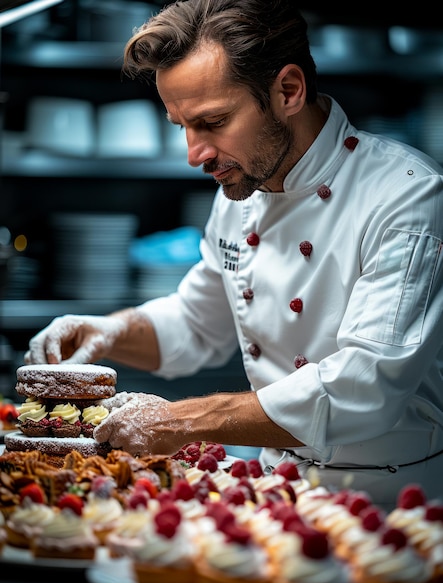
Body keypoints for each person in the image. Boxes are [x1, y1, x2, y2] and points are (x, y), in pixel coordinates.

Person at [25, 0, 443, 509]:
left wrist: (182, 422)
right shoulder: (240, 193)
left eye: (213, 121)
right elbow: (198, 323)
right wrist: (108, 331)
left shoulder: (407, 194)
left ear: (288, 91)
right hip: (276, 491)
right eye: (181, 125)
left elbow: (366, 385)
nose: (193, 154)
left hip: (396, 504)